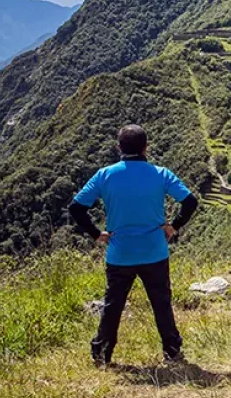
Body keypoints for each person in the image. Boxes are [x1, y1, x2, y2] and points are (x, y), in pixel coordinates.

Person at [68, 124, 198, 366]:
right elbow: (190, 201)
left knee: (113, 305)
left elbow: (76, 208)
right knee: (161, 303)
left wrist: (96, 234)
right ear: (146, 148)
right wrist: (173, 226)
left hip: (120, 253)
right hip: (154, 251)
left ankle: (102, 353)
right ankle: (172, 351)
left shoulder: (104, 175)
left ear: (119, 148)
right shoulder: (161, 174)